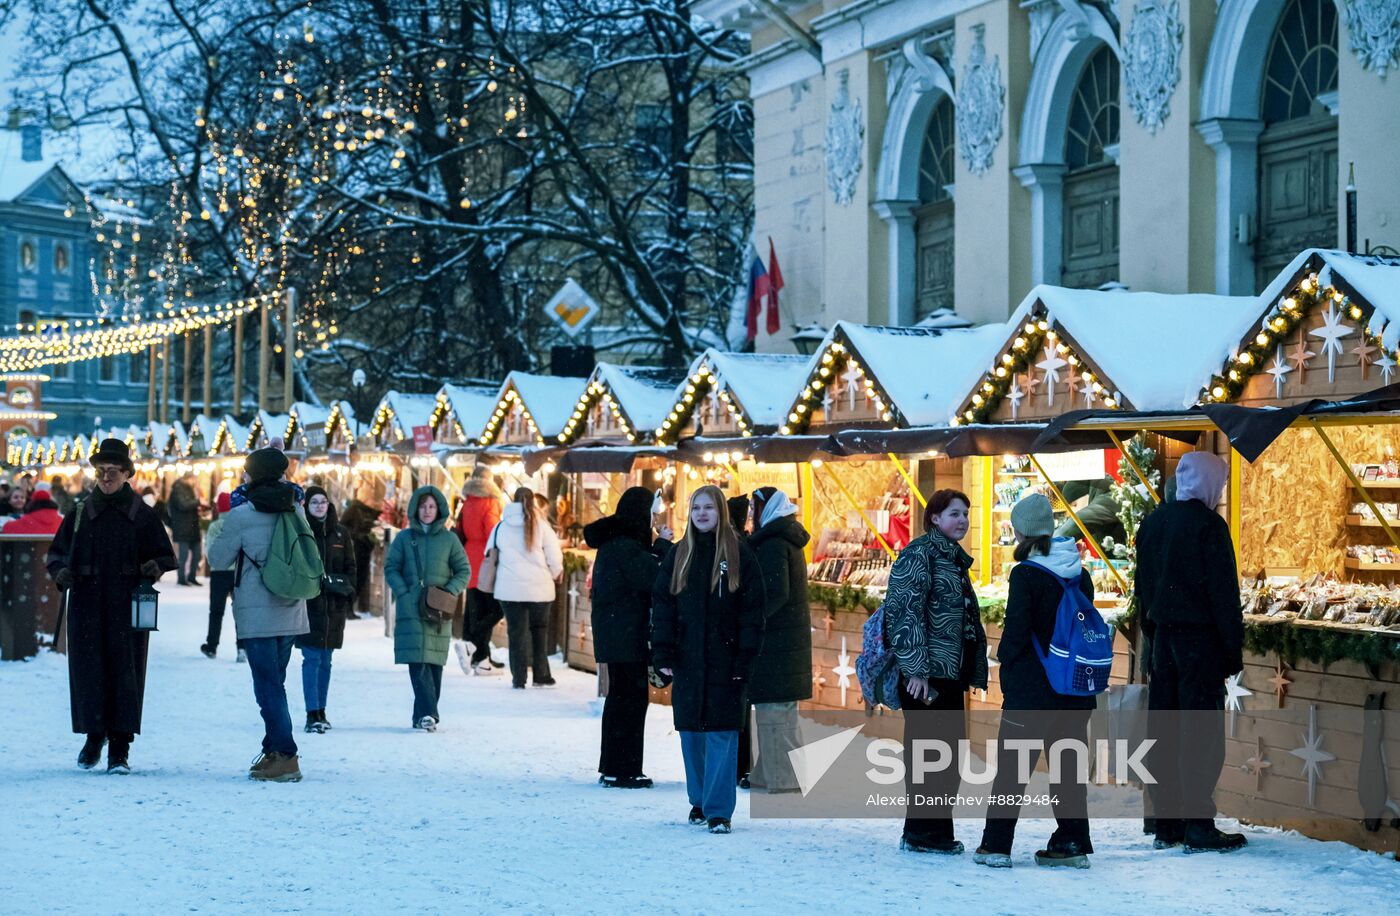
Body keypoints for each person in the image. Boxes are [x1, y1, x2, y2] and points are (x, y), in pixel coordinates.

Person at [974, 494, 1095, 869]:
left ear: (1021, 530)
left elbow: (1017, 631)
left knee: (1013, 770)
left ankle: (996, 846)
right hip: (1074, 688)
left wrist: (1004, 662)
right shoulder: (1079, 572)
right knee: (1068, 771)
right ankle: (1072, 843)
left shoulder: (1026, 573)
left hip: (1032, 688)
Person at [1135, 451, 1246, 853]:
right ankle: (1199, 823)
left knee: (1164, 731)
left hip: (1162, 640)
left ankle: (1167, 822)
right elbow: (1223, 596)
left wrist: (1152, 636)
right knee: (1200, 735)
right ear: (1210, 483)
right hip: (1200, 645)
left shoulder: (1153, 523)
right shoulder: (1209, 527)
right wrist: (1231, 653)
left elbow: (1142, 589)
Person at [45, 438, 176, 773]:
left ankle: (120, 746)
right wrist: (61, 571)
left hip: (127, 601)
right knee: (89, 669)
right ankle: (93, 736)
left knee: (126, 670)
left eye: (112, 471)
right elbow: (56, 553)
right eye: (101, 471)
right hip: (87, 601)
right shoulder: (78, 513)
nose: (106, 477)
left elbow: (164, 554)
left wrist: (154, 567)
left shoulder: (141, 515)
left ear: (127, 473)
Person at [651, 485, 765, 834]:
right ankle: (698, 800)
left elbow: (752, 611)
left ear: (720, 513)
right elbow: (664, 605)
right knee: (691, 733)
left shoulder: (739, 554)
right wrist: (663, 651)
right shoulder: (678, 554)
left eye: (709, 508)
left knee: (721, 733)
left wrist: (744, 657)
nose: (702, 514)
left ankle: (718, 810)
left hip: (725, 658)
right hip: (687, 658)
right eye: (696, 507)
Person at [885, 488, 988, 855]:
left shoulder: (952, 559)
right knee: (930, 754)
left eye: (965, 514)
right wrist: (915, 669)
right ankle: (922, 833)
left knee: (947, 754)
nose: (962, 520)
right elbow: (904, 613)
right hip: (924, 675)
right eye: (954, 514)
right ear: (934, 518)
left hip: (949, 672)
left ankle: (937, 831)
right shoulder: (919, 555)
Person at [206, 447, 310, 783]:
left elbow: (218, 559)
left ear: (253, 475)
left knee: (267, 686)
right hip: (292, 604)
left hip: (256, 611)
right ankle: (273, 750)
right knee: (275, 683)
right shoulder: (296, 508)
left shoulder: (242, 514)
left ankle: (286, 755)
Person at [585, 486, 671, 789]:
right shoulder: (624, 545)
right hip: (625, 634)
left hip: (619, 632)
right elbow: (654, 577)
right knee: (630, 701)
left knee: (622, 699)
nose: (654, 520)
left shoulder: (618, 541)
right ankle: (623, 769)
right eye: (652, 514)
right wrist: (662, 546)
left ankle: (615, 766)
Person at [384, 486, 470, 730]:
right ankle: (429, 713)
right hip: (411, 606)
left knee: (434, 663)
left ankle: (421, 715)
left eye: (432, 506)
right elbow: (391, 567)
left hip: (438, 607)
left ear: (439, 508)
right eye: (423, 506)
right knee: (417, 660)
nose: (427, 511)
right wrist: (404, 591)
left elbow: (464, 570)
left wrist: (449, 590)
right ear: (415, 508)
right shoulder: (403, 538)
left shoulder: (449, 539)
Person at [745, 487, 812, 794]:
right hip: (784, 643)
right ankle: (766, 772)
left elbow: (776, 593)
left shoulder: (773, 543)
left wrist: (751, 617)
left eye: (754, 509)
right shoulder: (782, 538)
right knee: (778, 711)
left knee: (775, 713)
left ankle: (785, 778)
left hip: (777, 644)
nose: (751, 515)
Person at [296, 486, 356, 734]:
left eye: (323, 501)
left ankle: (322, 709)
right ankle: (312, 712)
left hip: (334, 607)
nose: (320, 506)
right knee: (312, 658)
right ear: (306, 506)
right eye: (314, 503)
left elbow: (352, 569)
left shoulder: (341, 534)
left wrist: (343, 589)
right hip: (310, 605)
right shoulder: (302, 533)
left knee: (326, 660)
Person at [493, 486, 564, 689]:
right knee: (539, 632)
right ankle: (541, 674)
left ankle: (519, 678)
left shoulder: (501, 526)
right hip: (539, 589)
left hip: (509, 589)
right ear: (533, 502)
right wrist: (550, 575)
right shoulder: (542, 525)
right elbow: (554, 555)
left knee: (516, 634)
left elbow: (490, 552)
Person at [454, 464, 505, 675]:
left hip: (469, 557)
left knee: (475, 609)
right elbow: (492, 532)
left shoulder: (467, 503)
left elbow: (460, 529)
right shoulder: (490, 502)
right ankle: (476, 648)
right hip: (485, 559)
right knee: (494, 609)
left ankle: (480, 655)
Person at [200, 492, 242, 660]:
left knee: (216, 611)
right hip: (238, 573)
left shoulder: (214, 526)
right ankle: (242, 648)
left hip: (219, 573)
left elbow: (209, 552)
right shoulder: (239, 525)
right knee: (240, 612)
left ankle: (212, 646)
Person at [340, 497, 379, 615]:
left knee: (361, 578)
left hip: (366, 548)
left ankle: (349, 606)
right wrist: (356, 535)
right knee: (355, 577)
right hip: (355, 547)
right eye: (372, 499)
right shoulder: (354, 508)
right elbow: (342, 524)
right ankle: (347, 607)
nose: (374, 501)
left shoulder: (371, 511)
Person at [168, 471, 203, 586]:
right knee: (184, 554)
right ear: (188, 479)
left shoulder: (188, 488)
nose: (195, 482)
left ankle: (192, 576)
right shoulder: (178, 489)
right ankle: (181, 578)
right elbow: (182, 505)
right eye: (193, 479)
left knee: (197, 553)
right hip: (182, 527)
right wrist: (198, 502)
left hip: (191, 527)